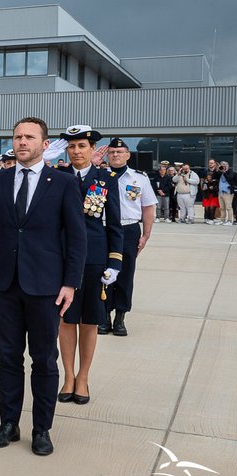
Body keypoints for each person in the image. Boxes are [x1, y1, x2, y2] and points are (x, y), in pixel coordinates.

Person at [0, 116, 85, 456]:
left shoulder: (64, 183)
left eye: (29, 137)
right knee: (8, 357)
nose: (22, 142)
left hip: (46, 286)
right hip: (5, 285)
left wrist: (71, 282)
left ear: (43, 143)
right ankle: (8, 423)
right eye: (17, 137)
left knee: (43, 359)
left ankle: (42, 428)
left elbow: (76, 236)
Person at [54, 126, 122, 406]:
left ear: (93, 149)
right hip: (61, 256)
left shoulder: (106, 179)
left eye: (82, 146)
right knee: (65, 319)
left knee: (89, 320)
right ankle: (68, 376)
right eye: (71, 147)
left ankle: (83, 377)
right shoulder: (56, 177)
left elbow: (115, 224)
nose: (77, 151)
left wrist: (114, 262)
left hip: (94, 258)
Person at [101, 139, 157, 336]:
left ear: (128, 155)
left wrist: (146, 234)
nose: (115, 155)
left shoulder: (139, 179)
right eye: (112, 152)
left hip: (128, 229)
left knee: (125, 274)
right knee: (104, 273)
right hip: (104, 230)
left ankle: (120, 317)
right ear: (107, 155)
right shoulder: (99, 176)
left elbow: (148, 207)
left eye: (120, 151)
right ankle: (104, 316)